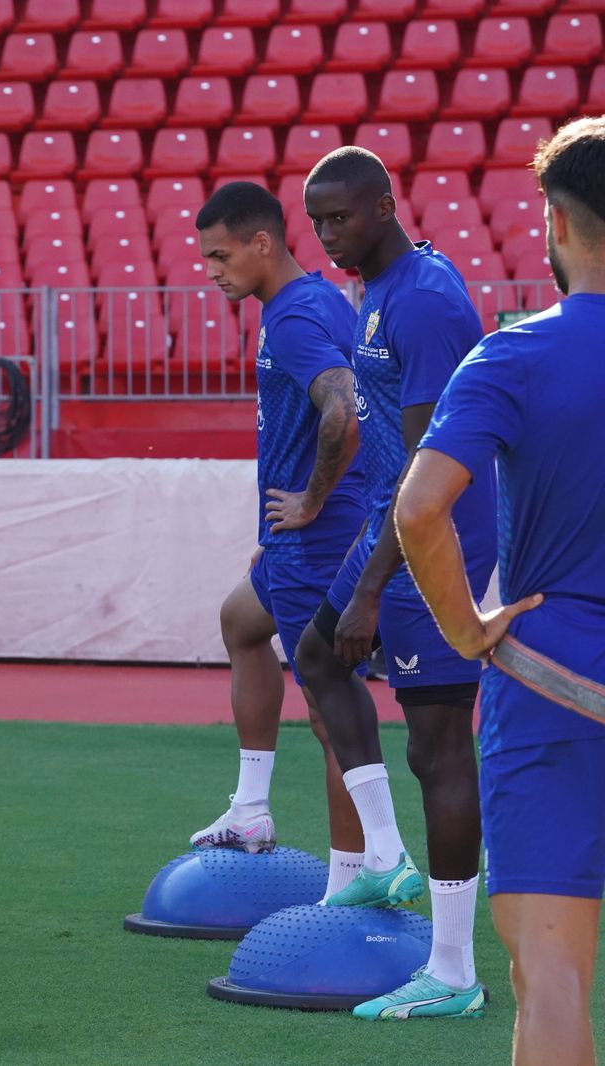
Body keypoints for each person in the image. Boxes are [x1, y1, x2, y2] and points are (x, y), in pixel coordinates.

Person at [396, 116, 605, 1064]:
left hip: (550, 677)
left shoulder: (516, 354)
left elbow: (420, 510)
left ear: (556, 224)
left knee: (550, 979)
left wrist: (469, 629)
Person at [295, 147, 497, 1020]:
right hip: (392, 521)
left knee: (439, 749)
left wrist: (374, 590)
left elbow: (427, 467)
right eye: (319, 223)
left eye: (342, 217)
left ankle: (454, 970)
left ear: (384, 205)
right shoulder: (387, 283)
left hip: (434, 539)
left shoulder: (419, 302)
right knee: (318, 657)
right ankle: (384, 855)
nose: (330, 236)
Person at [187, 181, 372, 903]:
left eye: (220, 254)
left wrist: (310, 503)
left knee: (333, 714)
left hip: (317, 541)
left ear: (262, 243)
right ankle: (252, 810)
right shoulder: (320, 298)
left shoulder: (292, 318)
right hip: (302, 540)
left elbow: (343, 411)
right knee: (240, 621)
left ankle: (352, 882)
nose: (210, 269)